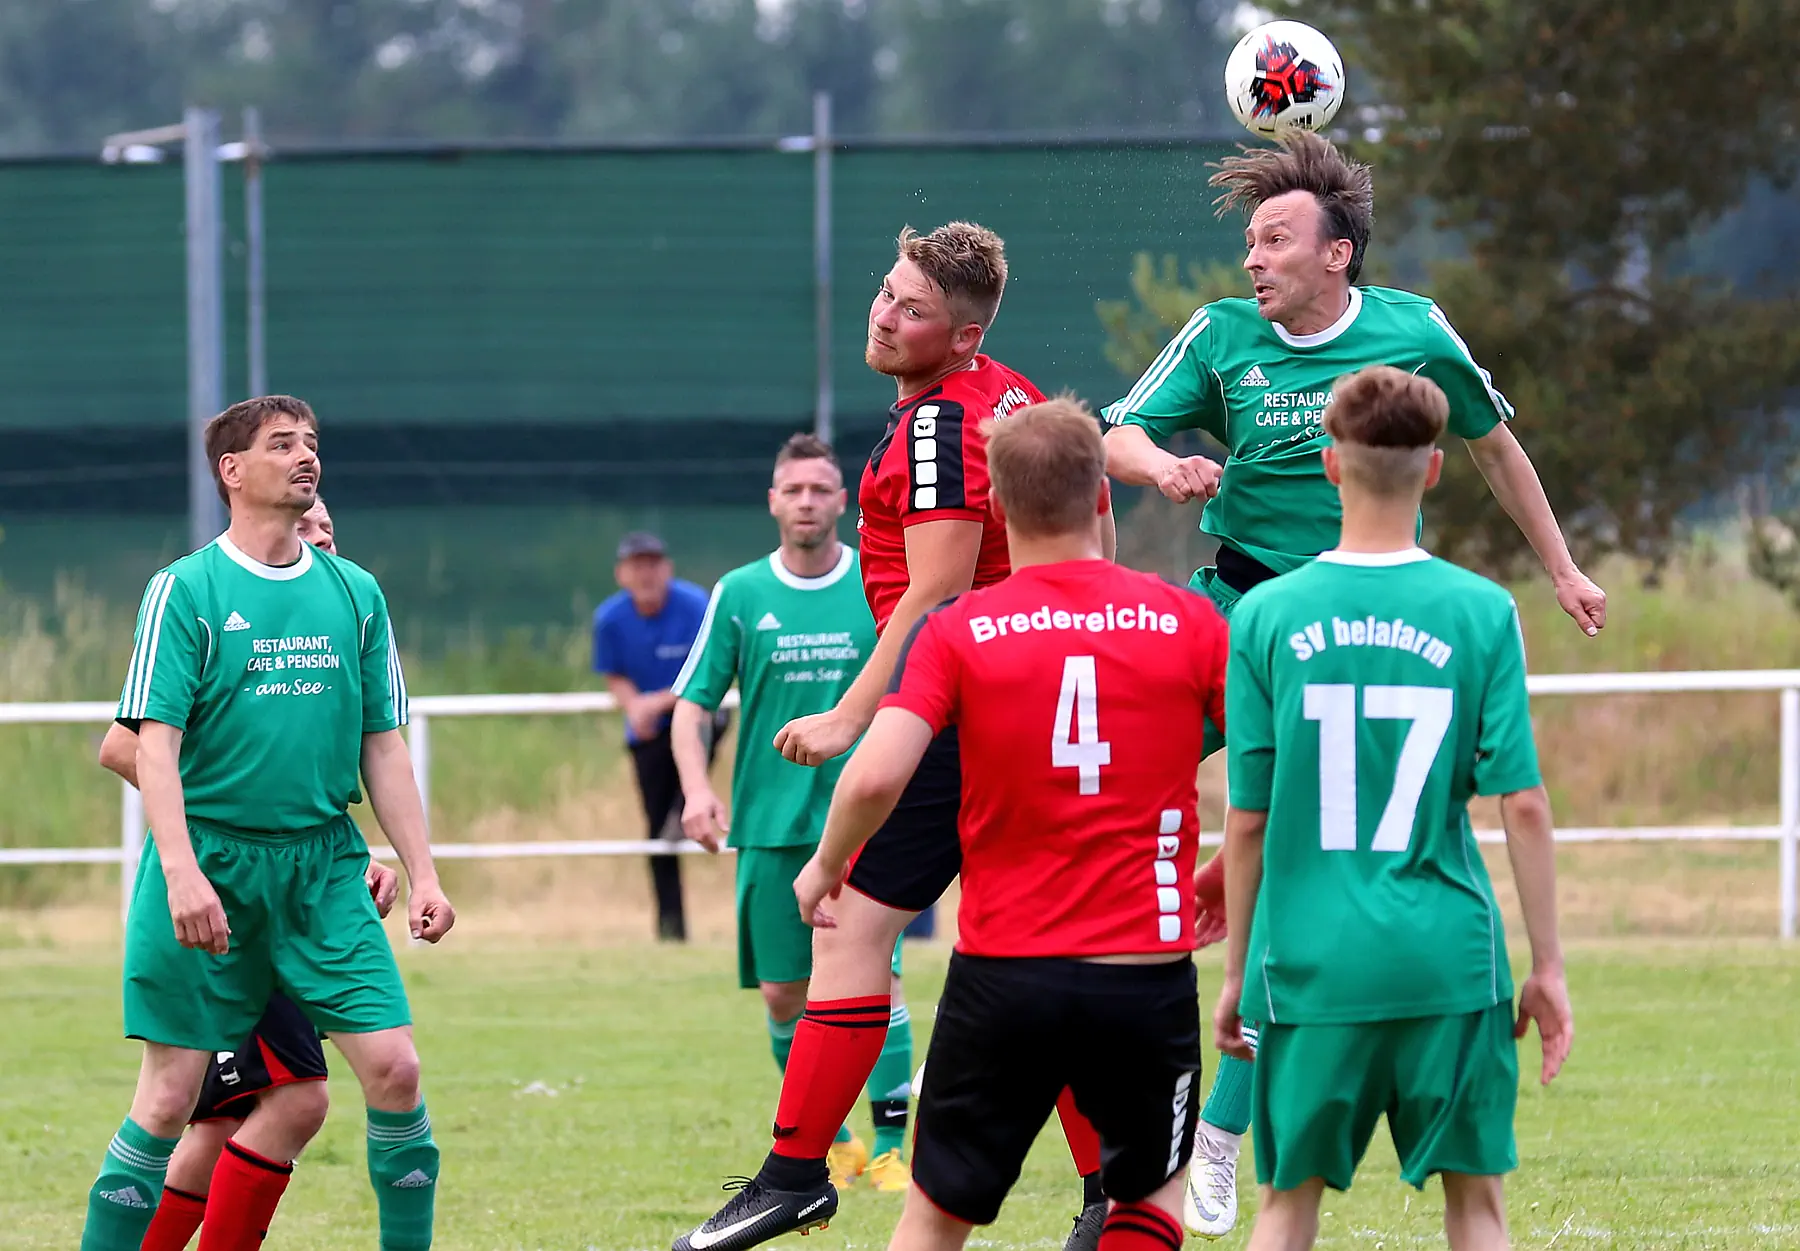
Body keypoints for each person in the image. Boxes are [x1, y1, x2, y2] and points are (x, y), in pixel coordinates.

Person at [1100, 129, 1603, 1238]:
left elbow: (1495, 443)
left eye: (1275, 238)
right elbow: (1116, 433)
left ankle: (1219, 1129)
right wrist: (1166, 462)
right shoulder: (1221, 335)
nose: (1252, 259)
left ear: (1338, 254)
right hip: (1242, 607)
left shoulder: (1413, 331)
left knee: (1307, 855)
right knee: (1114, 778)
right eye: (1249, 241)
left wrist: (1563, 566)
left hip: (1361, 625)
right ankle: (1068, 971)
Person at [675, 223, 1113, 1251]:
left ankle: (794, 1175)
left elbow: (938, 590)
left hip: (968, 711)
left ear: (962, 337)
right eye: (885, 292)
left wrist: (853, 713)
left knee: (849, 926)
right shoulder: (1013, 394)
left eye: (912, 310)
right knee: (1032, 945)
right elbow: (1090, 529)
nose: (883, 316)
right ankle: (1109, 1194)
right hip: (1038, 705)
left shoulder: (937, 423)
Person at [792, 397, 1230, 1251]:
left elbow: (876, 773)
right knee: (1146, 1201)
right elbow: (1273, 758)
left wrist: (826, 863)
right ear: (1100, 493)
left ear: (994, 502)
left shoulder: (958, 629)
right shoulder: (1186, 620)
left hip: (1005, 971)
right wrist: (1224, 871)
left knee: (934, 1216)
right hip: (1142, 969)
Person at [77, 395, 453, 1251]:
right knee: (170, 1100)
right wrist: (182, 872)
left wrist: (424, 870)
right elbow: (147, 747)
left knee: (395, 1069)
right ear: (232, 470)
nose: (304, 455)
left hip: (322, 866)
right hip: (213, 860)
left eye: (311, 443)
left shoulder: (356, 592)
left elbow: (383, 744)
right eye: (281, 444)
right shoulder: (184, 590)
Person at [1214, 365, 1573, 1250]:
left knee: (1286, 1207)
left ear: (1330, 465)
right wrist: (1548, 965)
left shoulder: (1265, 615)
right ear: (1435, 468)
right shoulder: (1482, 610)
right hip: (1448, 957)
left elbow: (1249, 817)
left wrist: (1233, 978)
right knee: (1478, 1209)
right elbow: (1523, 803)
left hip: (1310, 959)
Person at [669, 433, 912, 1193]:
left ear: (843, 501)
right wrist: (696, 789)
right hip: (769, 825)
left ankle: (892, 1147)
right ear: (773, 502)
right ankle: (834, 1140)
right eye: (794, 490)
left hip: (866, 816)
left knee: (880, 977)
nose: (807, 502)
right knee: (783, 992)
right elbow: (692, 706)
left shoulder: (877, 582)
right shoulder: (740, 592)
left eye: (820, 489)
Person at [592, 532, 721, 942]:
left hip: (695, 714)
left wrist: (658, 703)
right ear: (621, 574)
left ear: (667, 568)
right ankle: (671, 931)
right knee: (657, 834)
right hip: (648, 733)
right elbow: (614, 674)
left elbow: (711, 668)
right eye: (636, 565)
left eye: (652, 564)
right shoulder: (609, 619)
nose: (645, 574)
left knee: (717, 717)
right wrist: (635, 706)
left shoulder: (696, 605)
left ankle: (689, 800)